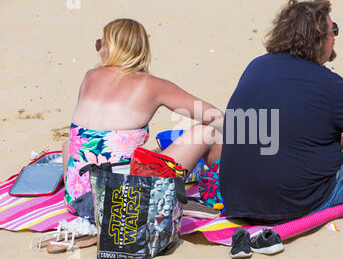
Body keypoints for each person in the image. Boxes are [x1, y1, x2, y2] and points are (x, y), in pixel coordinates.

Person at [219, 0, 343, 225]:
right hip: (291, 205)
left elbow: (280, 127)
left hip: (235, 200)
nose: (335, 37)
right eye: (332, 30)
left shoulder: (256, 65)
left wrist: (335, 140)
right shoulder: (327, 82)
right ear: (319, 38)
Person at [62, 18, 223, 216]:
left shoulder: (90, 76)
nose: (98, 51)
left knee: (70, 144)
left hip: (77, 199)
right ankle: (222, 185)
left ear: (112, 48)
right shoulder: (153, 85)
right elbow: (215, 116)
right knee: (208, 132)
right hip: (126, 201)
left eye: (99, 44)